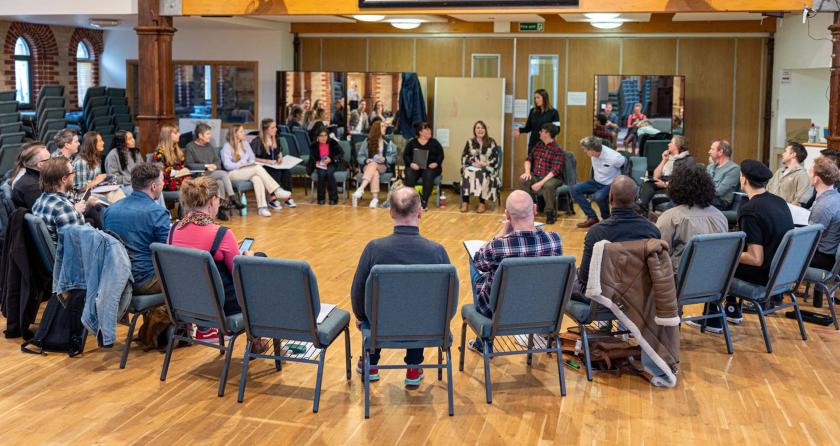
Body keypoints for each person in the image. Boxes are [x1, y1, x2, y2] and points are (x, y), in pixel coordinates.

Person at [350, 187, 451, 386]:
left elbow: (358, 291)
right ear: (420, 213)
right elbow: (449, 296)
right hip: (424, 326)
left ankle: (372, 361)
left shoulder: (374, 249)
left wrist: (362, 317)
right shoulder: (437, 252)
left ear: (390, 212)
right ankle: (413, 366)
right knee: (417, 307)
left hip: (381, 324)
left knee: (380, 310)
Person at [467, 190, 564, 351]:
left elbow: (479, 260)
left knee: (474, 263)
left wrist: (502, 233)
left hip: (500, 312)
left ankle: (485, 341)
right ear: (534, 209)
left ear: (507, 215)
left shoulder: (497, 247)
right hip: (542, 309)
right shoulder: (554, 240)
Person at [167, 176, 257, 343]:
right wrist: (249, 258)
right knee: (259, 264)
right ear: (212, 201)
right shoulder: (221, 234)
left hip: (185, 301)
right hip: (220, 305)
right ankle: (258, 342)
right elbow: (240, 276)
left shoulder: (173, 230)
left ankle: (207, 330)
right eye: (219, 200)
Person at [714, 160, 794, 327]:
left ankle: (712, 320)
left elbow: (755, 258)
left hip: (763, 275)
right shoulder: (779, 201)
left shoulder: (750, 210)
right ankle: (732, 310)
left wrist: (725, 253)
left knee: (718, 261)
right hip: (783, 272)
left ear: (743, 180)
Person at [577, 176, 661, 292]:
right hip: (638, 296)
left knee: (567, 282)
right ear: (636, 198)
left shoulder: (596, 232)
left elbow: (584, 279)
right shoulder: (652, 231)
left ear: (610, 198)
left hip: (604, 297)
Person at [102, 163, 170, 295]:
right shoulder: (158, 212)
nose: (164, 184)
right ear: (154, 186)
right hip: (144, 281)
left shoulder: (110, 210)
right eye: (162, 181)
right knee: (193, 276)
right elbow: (166, 254)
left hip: (116, 279)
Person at [656, 164, 728, 272]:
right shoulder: (720, 216)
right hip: (714, 279)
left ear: (676, 187)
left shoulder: (670, 217)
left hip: (679, 282)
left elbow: (659, 257)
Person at [222, 124, 292, 217]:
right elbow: (227, 165)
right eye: (241, 132)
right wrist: (242, 164)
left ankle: (262, 208)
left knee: (257, 178)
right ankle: (276, 190)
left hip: (246, 171)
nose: (244, 133)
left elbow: (252, 158)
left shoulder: (245, 144)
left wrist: (249, 163)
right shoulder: (227, 146)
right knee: (257, 168)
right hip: (232, 173)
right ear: (235, 134)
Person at [183, 123, 244, 220]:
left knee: (220, 182)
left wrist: (214, 165)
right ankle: (232, 198)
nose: (210, 136)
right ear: (200, 135)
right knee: (223, 174)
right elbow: (189, 164)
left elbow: (217, 161)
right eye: (208, 134)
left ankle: (221, 210)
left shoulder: (209, 146)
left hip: (212, 174)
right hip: (198, 175)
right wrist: (207, 166)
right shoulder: (190, 147)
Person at [31, 157, 96, 242]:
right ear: (64, 179)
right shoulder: (64, 208)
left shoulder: (39, 201)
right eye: (73, 172)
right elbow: (77, 246)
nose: (75, 175)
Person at [806, 157, 840, 307]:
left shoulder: (823, 206)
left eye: (810, 171)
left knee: (774, 251)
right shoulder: (836, 197)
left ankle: (770, 301)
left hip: (822, 259)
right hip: (829, 255)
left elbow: (808, 240)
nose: (808, 173)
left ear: (817, 179)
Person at [572, 136, 626, 228]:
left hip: (610, 184)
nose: (584, 151)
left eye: (585, 150)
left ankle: (607, 219)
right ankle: (592, 217)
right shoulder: (594, 153)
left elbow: (625, 166)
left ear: (592, 150)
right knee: (575, 189)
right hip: (597, 182)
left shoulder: (614, 157)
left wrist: (620, 184)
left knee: (598, 197)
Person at [517, 123, 564, 224]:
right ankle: (529, 209)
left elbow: (555, 171)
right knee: (524, 179)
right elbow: (528, 159)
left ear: (547, 133)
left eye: (541, 131)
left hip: (552, 178)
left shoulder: (557, 150)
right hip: (536, 175)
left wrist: (540, 183)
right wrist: (527, 172)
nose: (539, 132)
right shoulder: (538, 145)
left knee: (548, 185)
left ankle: (550, 212)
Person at [637, 135, 696, 214]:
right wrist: (664, 160)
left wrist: (665, 184)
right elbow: (656, 176)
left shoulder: (687, 160)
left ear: (677, 145)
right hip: (663, 180)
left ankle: (641, 209)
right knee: (647, 183)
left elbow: (683, 181)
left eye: (671, 142)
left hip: (674, 186)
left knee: (648, 189)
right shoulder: (669, 157)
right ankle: (642, 206)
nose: (668, 144)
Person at [251, 118, 296, 208]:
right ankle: (273, 199)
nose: (276, 129)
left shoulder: (276, 139)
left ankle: (287, 197)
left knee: (286, 171)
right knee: (275, 172)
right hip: (264, 166)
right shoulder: (257, 141)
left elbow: (279, 151)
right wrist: (266, 161)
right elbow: (252, 158)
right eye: (273, 127)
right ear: (266, 129)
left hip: (275, 164)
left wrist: (280, 156)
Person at [352, 118, 395, 208]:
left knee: (374, 164)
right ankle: (375, 199)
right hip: (368, 166)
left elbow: (393, 157)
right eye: (382, 126)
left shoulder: (387, 142)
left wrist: (385, 159)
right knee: (373, 168)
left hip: (382, 166)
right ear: (376, 129)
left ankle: (361, 188)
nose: (385, 128)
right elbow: (360, 156)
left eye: (385, 126)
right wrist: (366, 160)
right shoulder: (367, 141)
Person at [460, 120, 501, 213]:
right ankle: (465, 202)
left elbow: (495, 158)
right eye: (478, 128)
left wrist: (486, 164)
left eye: (482, 128)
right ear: (474, 130)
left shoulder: (491, 141)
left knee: (482, 173)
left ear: (485, 130)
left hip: (487, 167)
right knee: (466, 172)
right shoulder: (470, 142)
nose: (480, 130)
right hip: (473, 166)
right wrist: (472, 163)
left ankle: (482, 203)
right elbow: (464, 157)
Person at [403, 122, 444, 211]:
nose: (429, 131)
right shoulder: (412, 143)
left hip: (431, 167)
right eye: (427, 129)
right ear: (420, 132)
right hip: (416, 167)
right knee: (409, 173)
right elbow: (406, 155)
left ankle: (424, 200)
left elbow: (441, 155)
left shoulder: (434, 142)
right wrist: (411, 164)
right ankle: (411, 201)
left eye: (429, 129)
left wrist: (436, 163)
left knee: (428, 174)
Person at [513, 89, 560, 156]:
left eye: (538, 97)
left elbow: (557, 129)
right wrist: (519, 130)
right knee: (531, 164)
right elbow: (528, 128)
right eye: (535, 98)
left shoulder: (553, 112)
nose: (536, 100)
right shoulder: (533, 111)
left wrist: (547, 134)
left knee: (544, 165)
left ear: (544, 98)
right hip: (533, 143)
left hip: (546, 144)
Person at [306, 127, 343, 205]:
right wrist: (316, 162)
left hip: (332, 163)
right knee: (321, 173)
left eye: (325, 135)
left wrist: (331, 159)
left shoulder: (333, 143)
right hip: (320, 164)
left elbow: (340, 154)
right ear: (317, 137)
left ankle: (333, 198)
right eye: (321, 136)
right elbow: (312, 158)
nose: (323, 138)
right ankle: (321, 198)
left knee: (329, 172)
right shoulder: (314, 145)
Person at [153, 124, 191, 192]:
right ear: (168, 136)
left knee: (196, 181)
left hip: (178, 178)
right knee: (190, 186)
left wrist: (184, 170)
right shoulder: (159, 152)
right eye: (176, 133)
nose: (179, 134)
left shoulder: (177, 150)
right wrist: (179, 172)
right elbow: (161, 173)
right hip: (166, 181)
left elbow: (180, 166)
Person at [11, 144, 50, 209]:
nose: (53, 161)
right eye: (50, 159)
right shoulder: (31, 187)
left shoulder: (34, 178)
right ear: (40, 165)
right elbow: (45, 211)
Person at [706, 139, 741, 209]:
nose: (709, 152)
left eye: (712, 149)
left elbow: (719, 192)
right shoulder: (710, 167)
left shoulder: (734, 169)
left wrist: (700, 191)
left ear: (720, 152)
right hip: (707, 198)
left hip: (720, 202)